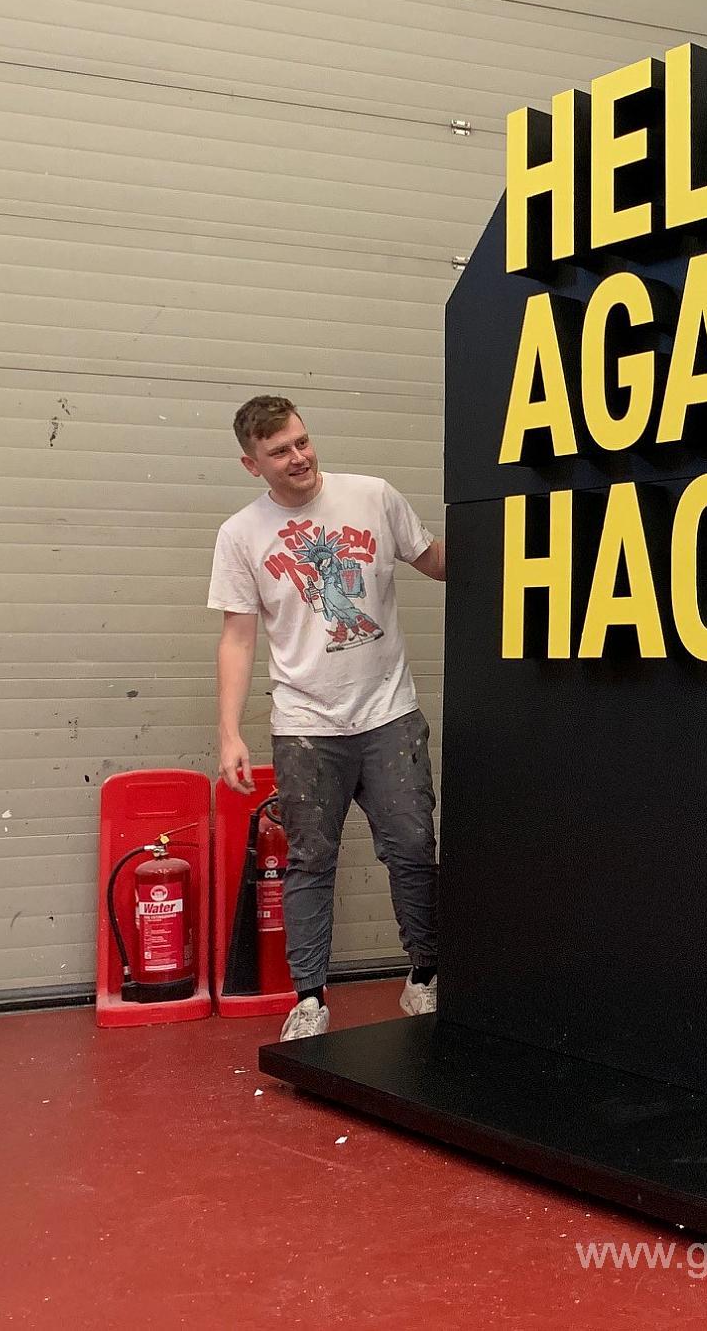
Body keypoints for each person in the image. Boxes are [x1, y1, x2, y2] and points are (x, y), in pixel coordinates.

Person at [207, 395, 446, 1041]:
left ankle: (425, 979)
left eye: (302, 441)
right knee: (311, 862)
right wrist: (229, 731)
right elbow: (237, 636)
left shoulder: (373, 497)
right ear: (251, 464)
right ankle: (310, 1000)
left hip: (388, 713)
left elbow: (437, 562)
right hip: (307, 727)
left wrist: (509, 528)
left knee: (414, 848)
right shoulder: (241, 535)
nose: (299, 458)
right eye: (280, 451)